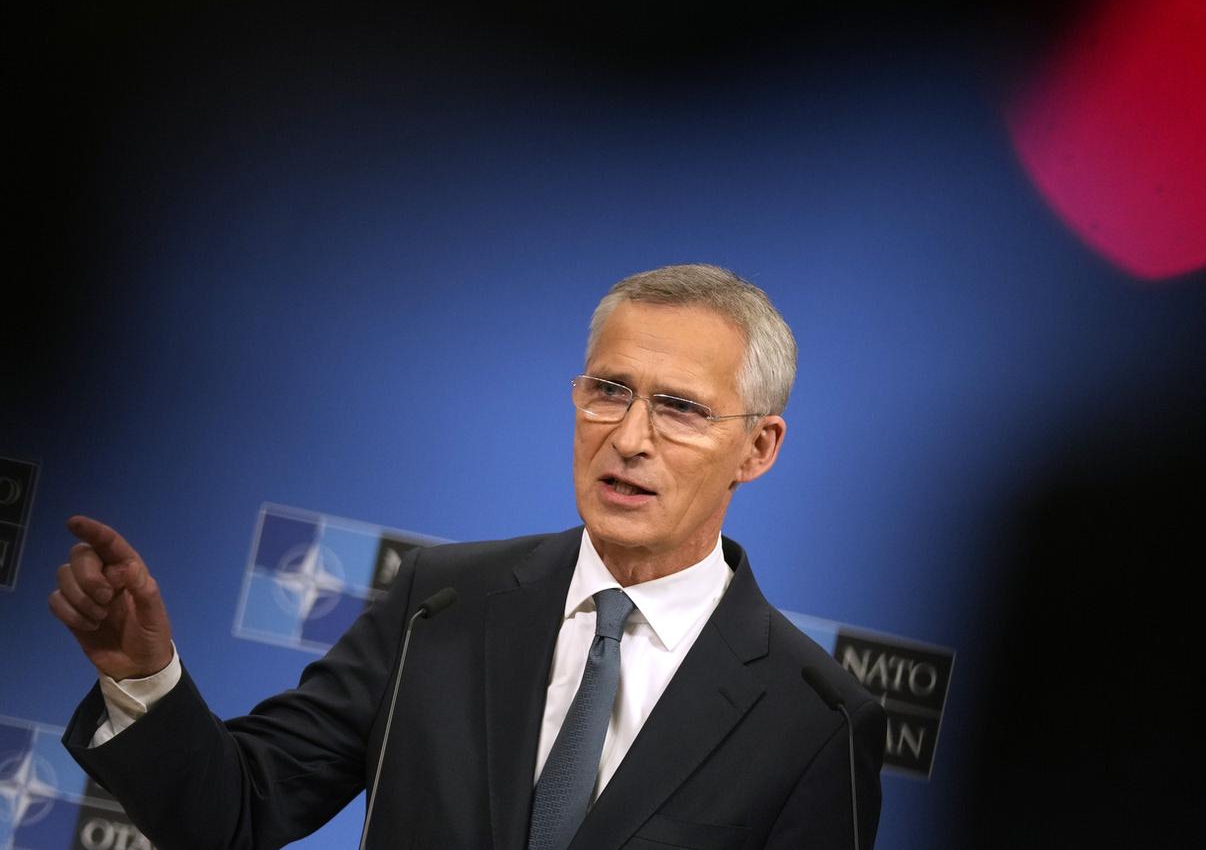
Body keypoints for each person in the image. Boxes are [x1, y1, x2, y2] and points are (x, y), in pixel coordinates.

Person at [49, 264, 887, 849]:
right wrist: (145, 674)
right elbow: (233, 814)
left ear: (759, 448)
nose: (629, 439)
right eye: (608, 390)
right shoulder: (437, 605)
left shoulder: (815, 718)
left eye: (679, 409)